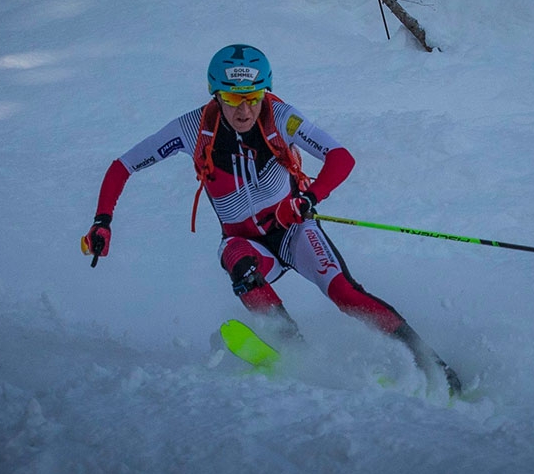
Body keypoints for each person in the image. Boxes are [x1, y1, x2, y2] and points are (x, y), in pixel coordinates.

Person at [82, 44, 462, 395]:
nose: (244, 110)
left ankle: (434, 366)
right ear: (216, 94)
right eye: (232, 99)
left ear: (265, 92)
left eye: (253, 97)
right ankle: (298, 355)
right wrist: (103, 221)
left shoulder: (281, 117)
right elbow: (122, 166)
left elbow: (341, 157)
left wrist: (308, 198)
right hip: (242, 239)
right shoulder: (191, 128)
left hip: (293, 228)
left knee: (346, 295)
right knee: (240, 266)